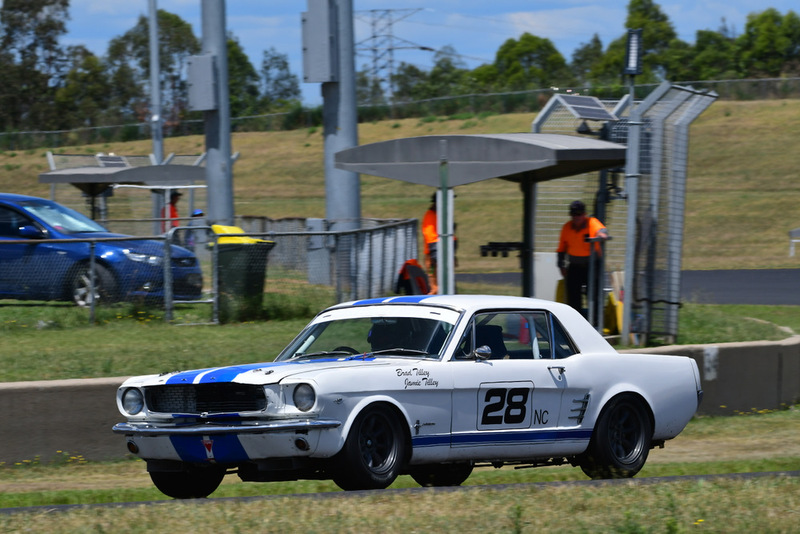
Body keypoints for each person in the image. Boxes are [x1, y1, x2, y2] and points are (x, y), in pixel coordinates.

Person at [556, 200, 608, 318]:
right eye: (573, 214)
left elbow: (601, 230)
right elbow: (561, 249)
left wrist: (601, 235)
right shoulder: (567, 227)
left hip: (592, 266)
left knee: (594, 294)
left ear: (584, 214)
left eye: (579, 214)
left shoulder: (591, 222)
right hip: (574, 266)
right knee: (573, 295)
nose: (576, 217)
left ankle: (595, 321)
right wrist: (561, 265)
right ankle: (575, 320)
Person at [422, 194, 439, 294]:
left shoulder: (440, 215)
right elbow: (430, 237)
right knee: (435, 288)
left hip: (438, 254)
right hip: (431, 256)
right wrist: (435, 257)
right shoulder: (430, 215)